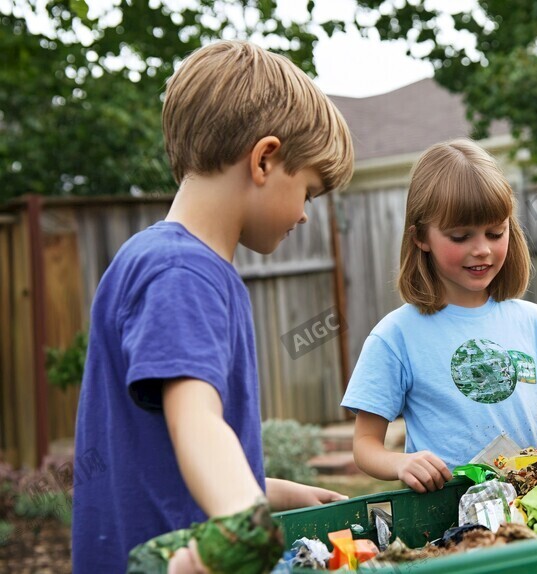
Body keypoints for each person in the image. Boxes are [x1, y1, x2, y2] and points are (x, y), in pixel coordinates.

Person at [72, 40, 355, 573]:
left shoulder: (156, 260)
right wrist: (240, 520)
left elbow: (158, 466)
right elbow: (196, 421)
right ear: (265, 158)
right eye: (310, 193)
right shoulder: (184, 274)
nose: (305, 216)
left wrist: (279, 493)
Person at [341, 139, 537, 492]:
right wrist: (401, 463)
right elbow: (365, 446)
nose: (482, 249)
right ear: (420, 238)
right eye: (460, 236)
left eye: (496, 233)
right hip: (454, 517)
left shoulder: (531, 321)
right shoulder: (396, 336)